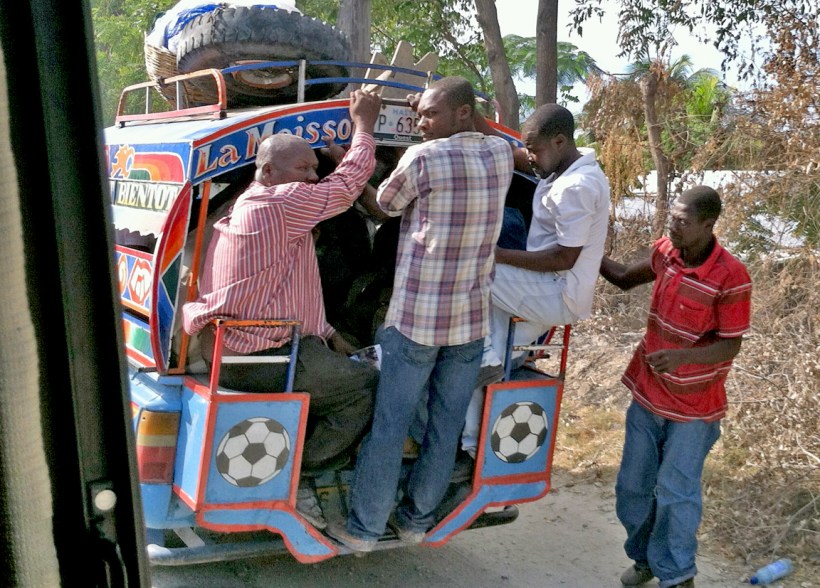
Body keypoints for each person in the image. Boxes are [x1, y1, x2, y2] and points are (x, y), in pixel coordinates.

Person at [326, 76, 514, 552]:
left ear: (461, 114)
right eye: (420, 113)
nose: (419, 121)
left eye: (429, 114)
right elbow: (488, 129)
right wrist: (440, 107)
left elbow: (382, 207)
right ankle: (416, 521)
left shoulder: (423, 157)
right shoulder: (498, 156)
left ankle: (364, 528)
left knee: (391, 424)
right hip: (469, 324)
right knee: (445, 424)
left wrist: (353, 142)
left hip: (415, 325)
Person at [181, 90, 383, 529]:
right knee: (365, 387)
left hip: (246, 346)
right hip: (262, 356)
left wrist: (331, 336)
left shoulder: (256, 205)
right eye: (303, 168)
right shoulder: (280, 204)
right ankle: (302, 477)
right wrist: (364, 126)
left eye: (315, 168)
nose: (312, 177)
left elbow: (291, 289)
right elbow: (347, 187)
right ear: (268, 171)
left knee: (346, 364)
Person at [599, 186, 752, 588]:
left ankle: (677, 574)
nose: (674, 226)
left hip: (694, 408)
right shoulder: (666, 251)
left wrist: (683, 358)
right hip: (648, 394)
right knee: (632, 487)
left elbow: (730, 343)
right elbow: (622, 278)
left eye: (684, 221)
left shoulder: (731, 276)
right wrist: (579, 251)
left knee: (675, 493)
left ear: (708, 224)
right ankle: (646, 558)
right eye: (673, 218)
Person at [461, 103, 611, 456]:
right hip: (540, 289)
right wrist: (472, 119)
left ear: (560, 142)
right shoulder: (562, 168)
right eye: (527, 148)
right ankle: (470, 446)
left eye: (535, 149)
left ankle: (481, 364)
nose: (528, 157)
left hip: (554, 293)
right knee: (486, 360)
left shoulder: (576, 186)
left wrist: (494, 254)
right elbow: (506, 147)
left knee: (469, 268)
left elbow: (564, 257)